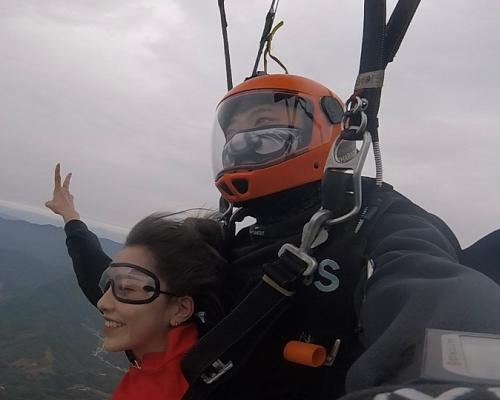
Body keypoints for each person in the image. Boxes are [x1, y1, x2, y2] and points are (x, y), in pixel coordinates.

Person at [48, 74, 500, 400]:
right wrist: (72, 221)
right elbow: (127, 289)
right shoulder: (230, 238)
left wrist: (452, 386)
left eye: (263, 125)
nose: (244, 141)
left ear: (322, 133)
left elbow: (437, 295)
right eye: (234, 134)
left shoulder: (375, 224)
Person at [46, 165, 226, 400]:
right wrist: (70, 216)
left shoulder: (180, 389)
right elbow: (92, 266)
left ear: (181, 309)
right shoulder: (167, 342)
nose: (102, 302)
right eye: (110, 283)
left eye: (128, 288)